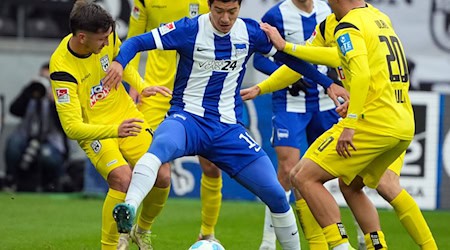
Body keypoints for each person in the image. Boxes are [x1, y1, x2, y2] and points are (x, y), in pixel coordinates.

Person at [105, 0, 348, 249]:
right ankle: (130, 207)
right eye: (218, 11)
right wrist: (119, 62)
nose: (224, 18)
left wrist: (327, 83)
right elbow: (136, 41)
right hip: (188, 119)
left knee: (276, 194)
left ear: (239, 8)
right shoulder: (188, 29)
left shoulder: (251, 32)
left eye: (231, 12)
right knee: (160, 147)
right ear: (209, 6)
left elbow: (290, 60)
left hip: (228, 130)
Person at [245, 2, 438, 249]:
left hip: (372, 122)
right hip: (401, 121)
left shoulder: (349, 25)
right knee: (355, 185)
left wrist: (351, 121)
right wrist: (263, 87)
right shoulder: (374, 18)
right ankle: (387, 245)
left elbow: (361, 74)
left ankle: (332, 245)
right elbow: (316, 60)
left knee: (302, 176)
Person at [49, 1, 172, 249]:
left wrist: (141, 85)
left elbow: (119, 65)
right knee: (122, 179)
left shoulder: (106, 35)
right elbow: (72, 128)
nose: (107, 43)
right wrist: (115, 131)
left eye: (108, 37)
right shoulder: (62, 69)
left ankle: (142, 230)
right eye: (101, 40)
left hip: (125, 115)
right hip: (95, 129)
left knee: (162, 174)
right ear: (82, 37)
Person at [125, 0, 223, 241]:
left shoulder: (208, 2)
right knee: (143, 166)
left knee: (211, 165)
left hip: (197, 94)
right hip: (156, 94)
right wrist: (133, 85)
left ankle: (207, 234)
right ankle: (129, 229)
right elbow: (133, 40)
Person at [252, 0, 338, 249]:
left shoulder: (328, 9)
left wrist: (333, 75)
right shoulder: (276, 14)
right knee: (289, 169)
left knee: (343, 174)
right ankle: (268, 242)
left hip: (325, 103)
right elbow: (259, 60)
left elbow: (338, 50)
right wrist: (284, 73)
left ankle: (364, 237)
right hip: (290, 104)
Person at [4, 62, 68, 192]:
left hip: (50, 140)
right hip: (26, 136)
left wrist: (56, 103)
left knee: (47, 156)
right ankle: (11, 180)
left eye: (47, 80)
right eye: (41, 78)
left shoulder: (58, 98)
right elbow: (14, 110)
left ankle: (50, 184)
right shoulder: (30, 95)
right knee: (13, 145)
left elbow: (64, 127)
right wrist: (26, 92)